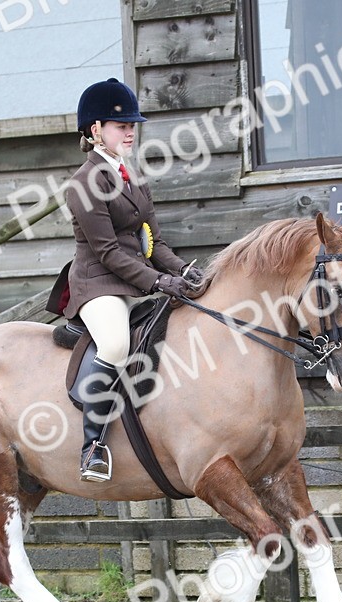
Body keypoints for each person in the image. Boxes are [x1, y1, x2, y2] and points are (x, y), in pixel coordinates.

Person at [59, 77, 192, 482]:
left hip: (138, 280)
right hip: (99, 284)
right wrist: (158, 282)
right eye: (122, 125)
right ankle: (93, 446)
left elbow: (152, 241)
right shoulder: (84, 183)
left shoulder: (132, 177)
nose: (131, 131)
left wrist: (182, 271)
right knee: (116, 342)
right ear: (96, 130)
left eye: (133, 124)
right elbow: (109, 252)